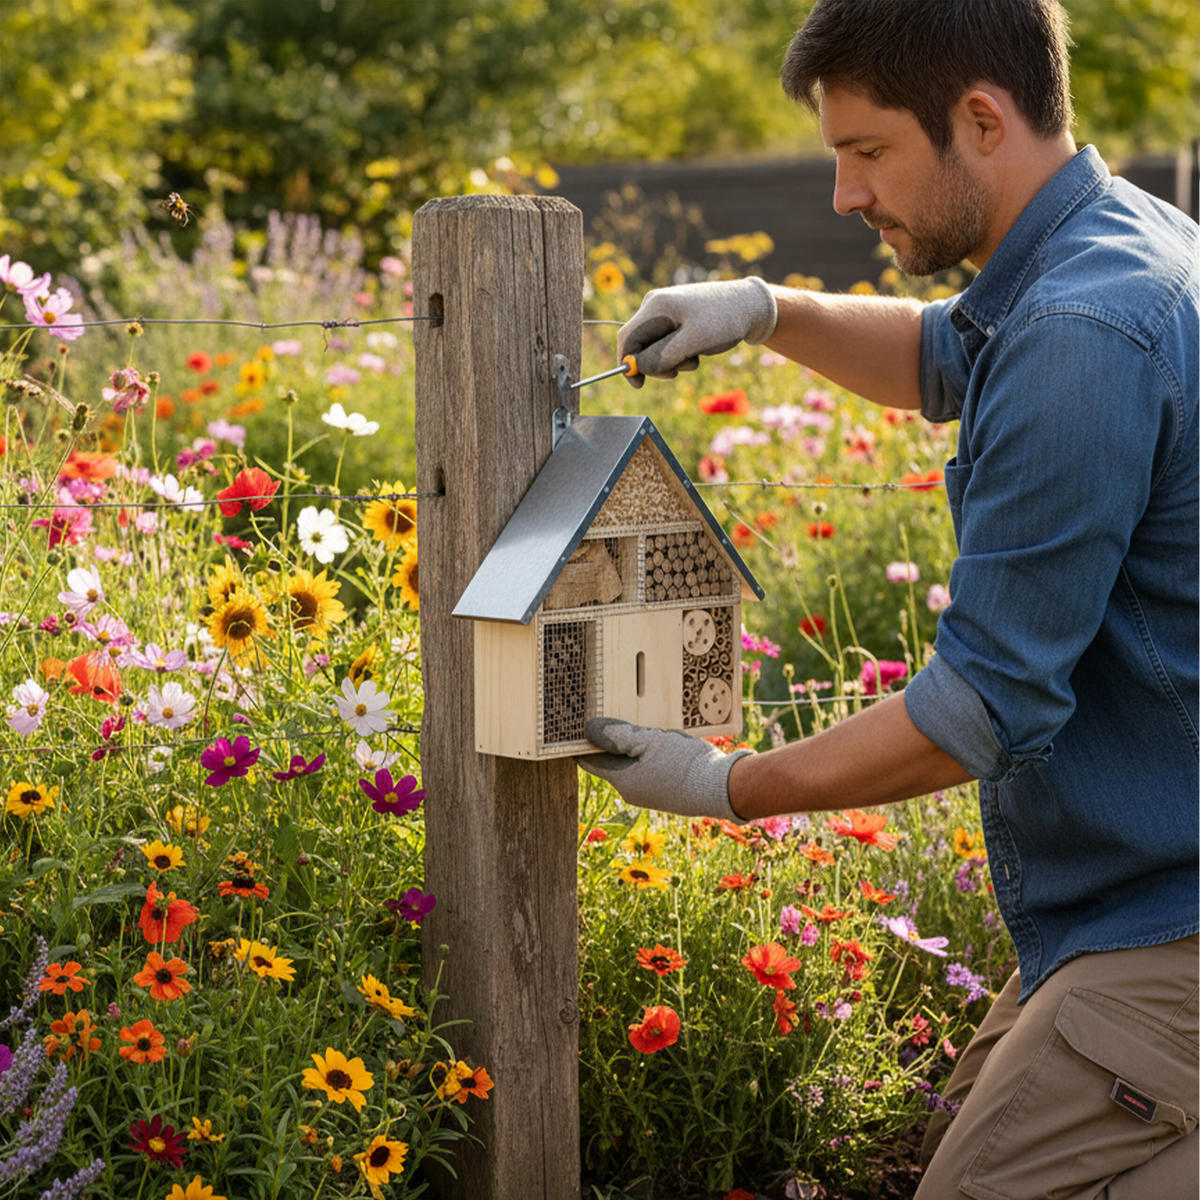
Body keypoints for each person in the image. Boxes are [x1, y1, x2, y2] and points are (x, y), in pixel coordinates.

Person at [577, 1, 1199, 1195]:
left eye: (866, 152)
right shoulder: (1112, 244)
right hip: (1133, 894)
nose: (845, 196)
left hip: (1171, 916)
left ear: (980, 118)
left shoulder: (1081, 330)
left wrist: (722, 785)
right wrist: (767, 312)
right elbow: (940, 355)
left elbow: (983, 713)